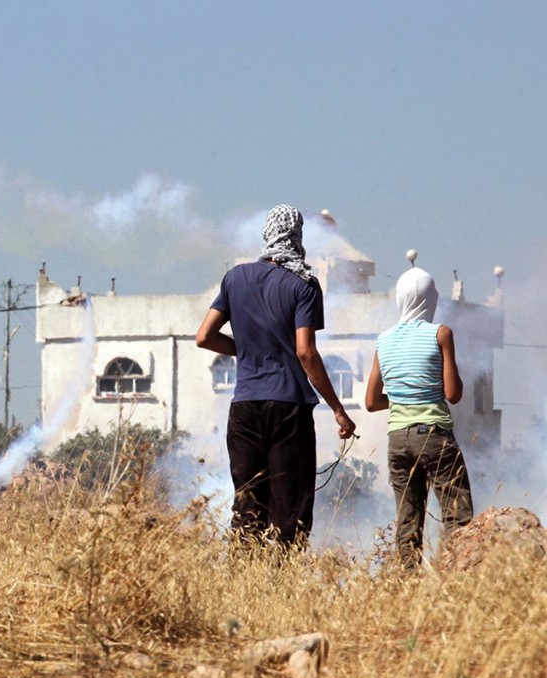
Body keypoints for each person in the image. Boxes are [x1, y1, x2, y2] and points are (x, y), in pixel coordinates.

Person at [196, 204, 356, 546]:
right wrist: (339, 410)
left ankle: (244, 581)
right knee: (290, 508)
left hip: (244, 408)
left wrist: (248, 349)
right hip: (289, 409)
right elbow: (305, 352)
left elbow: (204, 336)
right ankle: (281, 581)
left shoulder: (234, 278)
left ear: (266, 234)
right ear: (297, 236)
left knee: (248, 503)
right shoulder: (304, 284)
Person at [365, 267, 473, 569]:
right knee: (457, 513)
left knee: (408, 518)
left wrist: (402, 399)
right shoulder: (441, 333)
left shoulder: (383, 341)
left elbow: (371, 402)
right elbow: (453, 393)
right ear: (432, 299)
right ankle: (460, 581)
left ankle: (407, 586)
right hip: (434, 435)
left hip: (398, 439)